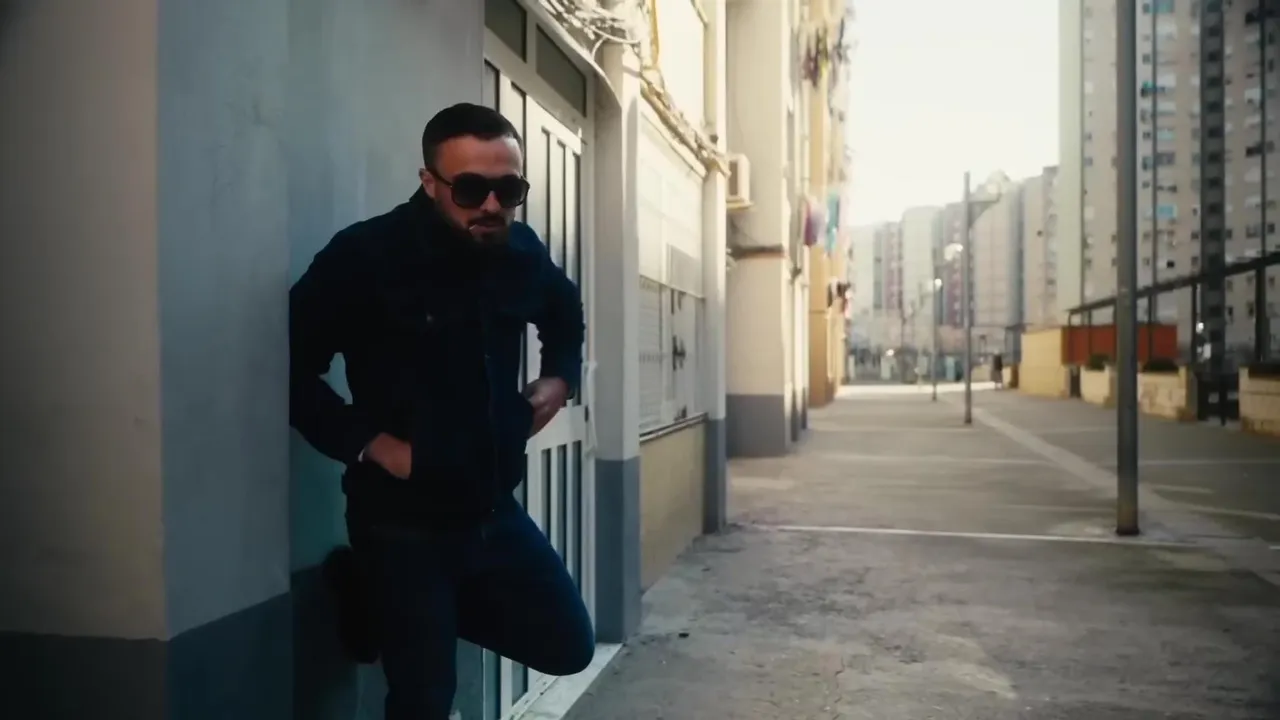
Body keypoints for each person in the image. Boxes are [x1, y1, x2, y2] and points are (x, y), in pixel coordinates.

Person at [290, 103, 594, 719]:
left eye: (509, 190)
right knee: (425, 700)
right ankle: (383, 593)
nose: (491, 206)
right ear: (430, 182)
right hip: (399, 521)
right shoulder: (366, 256)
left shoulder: (521, 251)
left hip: (491, 508)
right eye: (471, 189)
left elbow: (563, 310)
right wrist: (375, 445)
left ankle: (377, 602)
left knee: (568, 645)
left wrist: (560, 377)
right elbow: (290, 372)